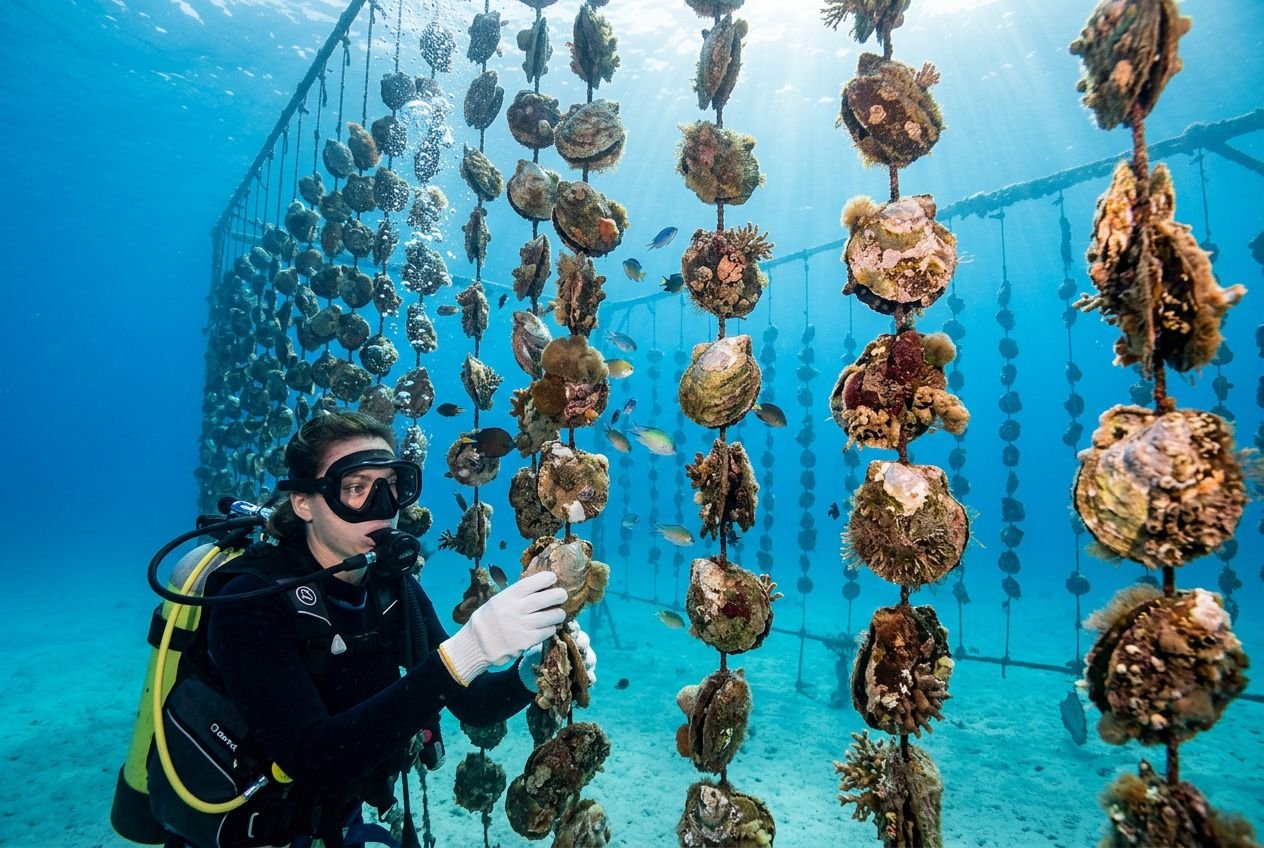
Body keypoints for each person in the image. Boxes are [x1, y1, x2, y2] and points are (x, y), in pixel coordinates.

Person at [154, 410, 594, 848]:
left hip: (335, 824)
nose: (384, 507)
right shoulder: (252, 601)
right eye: (356, 488)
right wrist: (470, 649)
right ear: (304, 503)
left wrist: (533, 673)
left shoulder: (390, 589)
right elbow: (315, 760)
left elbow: (472, 704)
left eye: (392, 485)